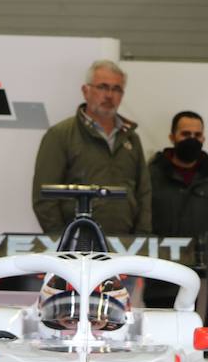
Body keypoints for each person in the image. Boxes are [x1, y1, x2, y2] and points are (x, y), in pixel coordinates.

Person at [32, 59, 151, 238]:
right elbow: (44, 196)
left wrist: (142, 238)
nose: (109, 95)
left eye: (116, 89)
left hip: (125, 243)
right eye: (102, 87)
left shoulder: (131, 138)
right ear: (86, 91)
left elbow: (144, 193)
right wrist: (61, 240)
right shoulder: (60, 135)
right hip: (75, 242)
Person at [147, 110, 208, 324]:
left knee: (199, 351)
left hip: (202, 283)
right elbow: (136, 219)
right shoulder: (150, 176)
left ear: (203, 138)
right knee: (157, 349)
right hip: (159, 281)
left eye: (197, 135)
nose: (192, 140)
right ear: (172, 137)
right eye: (185, 134)